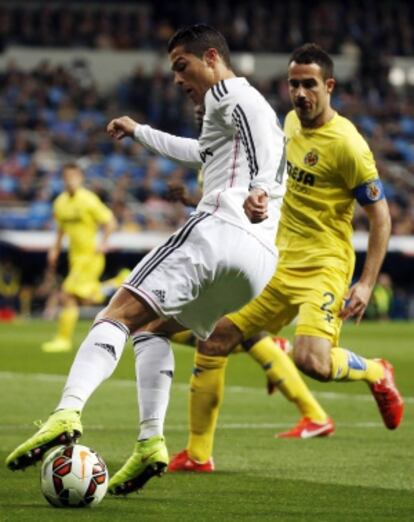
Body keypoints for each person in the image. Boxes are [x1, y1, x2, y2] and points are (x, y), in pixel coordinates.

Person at [5, 24, 286, 496]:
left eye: (182, 66)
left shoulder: (232, 93)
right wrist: (139, 131)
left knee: (114, 313)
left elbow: (265, 135)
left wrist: (259, 188)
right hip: (256, 262)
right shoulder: (222, 115)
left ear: (212, 57)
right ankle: (151, 442)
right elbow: (197, 152)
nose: (177, 79)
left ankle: (66, 412)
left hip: (223, 227)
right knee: (150, 330)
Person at [167, 42, 404, 472]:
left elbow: (381, 218)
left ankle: (375, 371)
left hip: (325, 266)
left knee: (310, 361)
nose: (300, 93)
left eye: (309, 84)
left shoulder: (349, 145)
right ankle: (198, 455)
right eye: (294, 84)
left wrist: (366, 282)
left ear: (328, 85)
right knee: (214, 337)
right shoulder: (288, 123)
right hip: (277, 259)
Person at [41, 163, 118, 353]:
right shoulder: (60, 202)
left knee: (66, 295)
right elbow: (61, 228)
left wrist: (104, 242)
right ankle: (117, 283)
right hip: (75, 258)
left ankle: (63, 339)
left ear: (80, 178)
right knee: (84, 300)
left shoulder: (89, 200)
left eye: (74, 177)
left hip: (90, 256)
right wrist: (55, 249)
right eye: (67, 177)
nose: (70, 180)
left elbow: (110, 221)